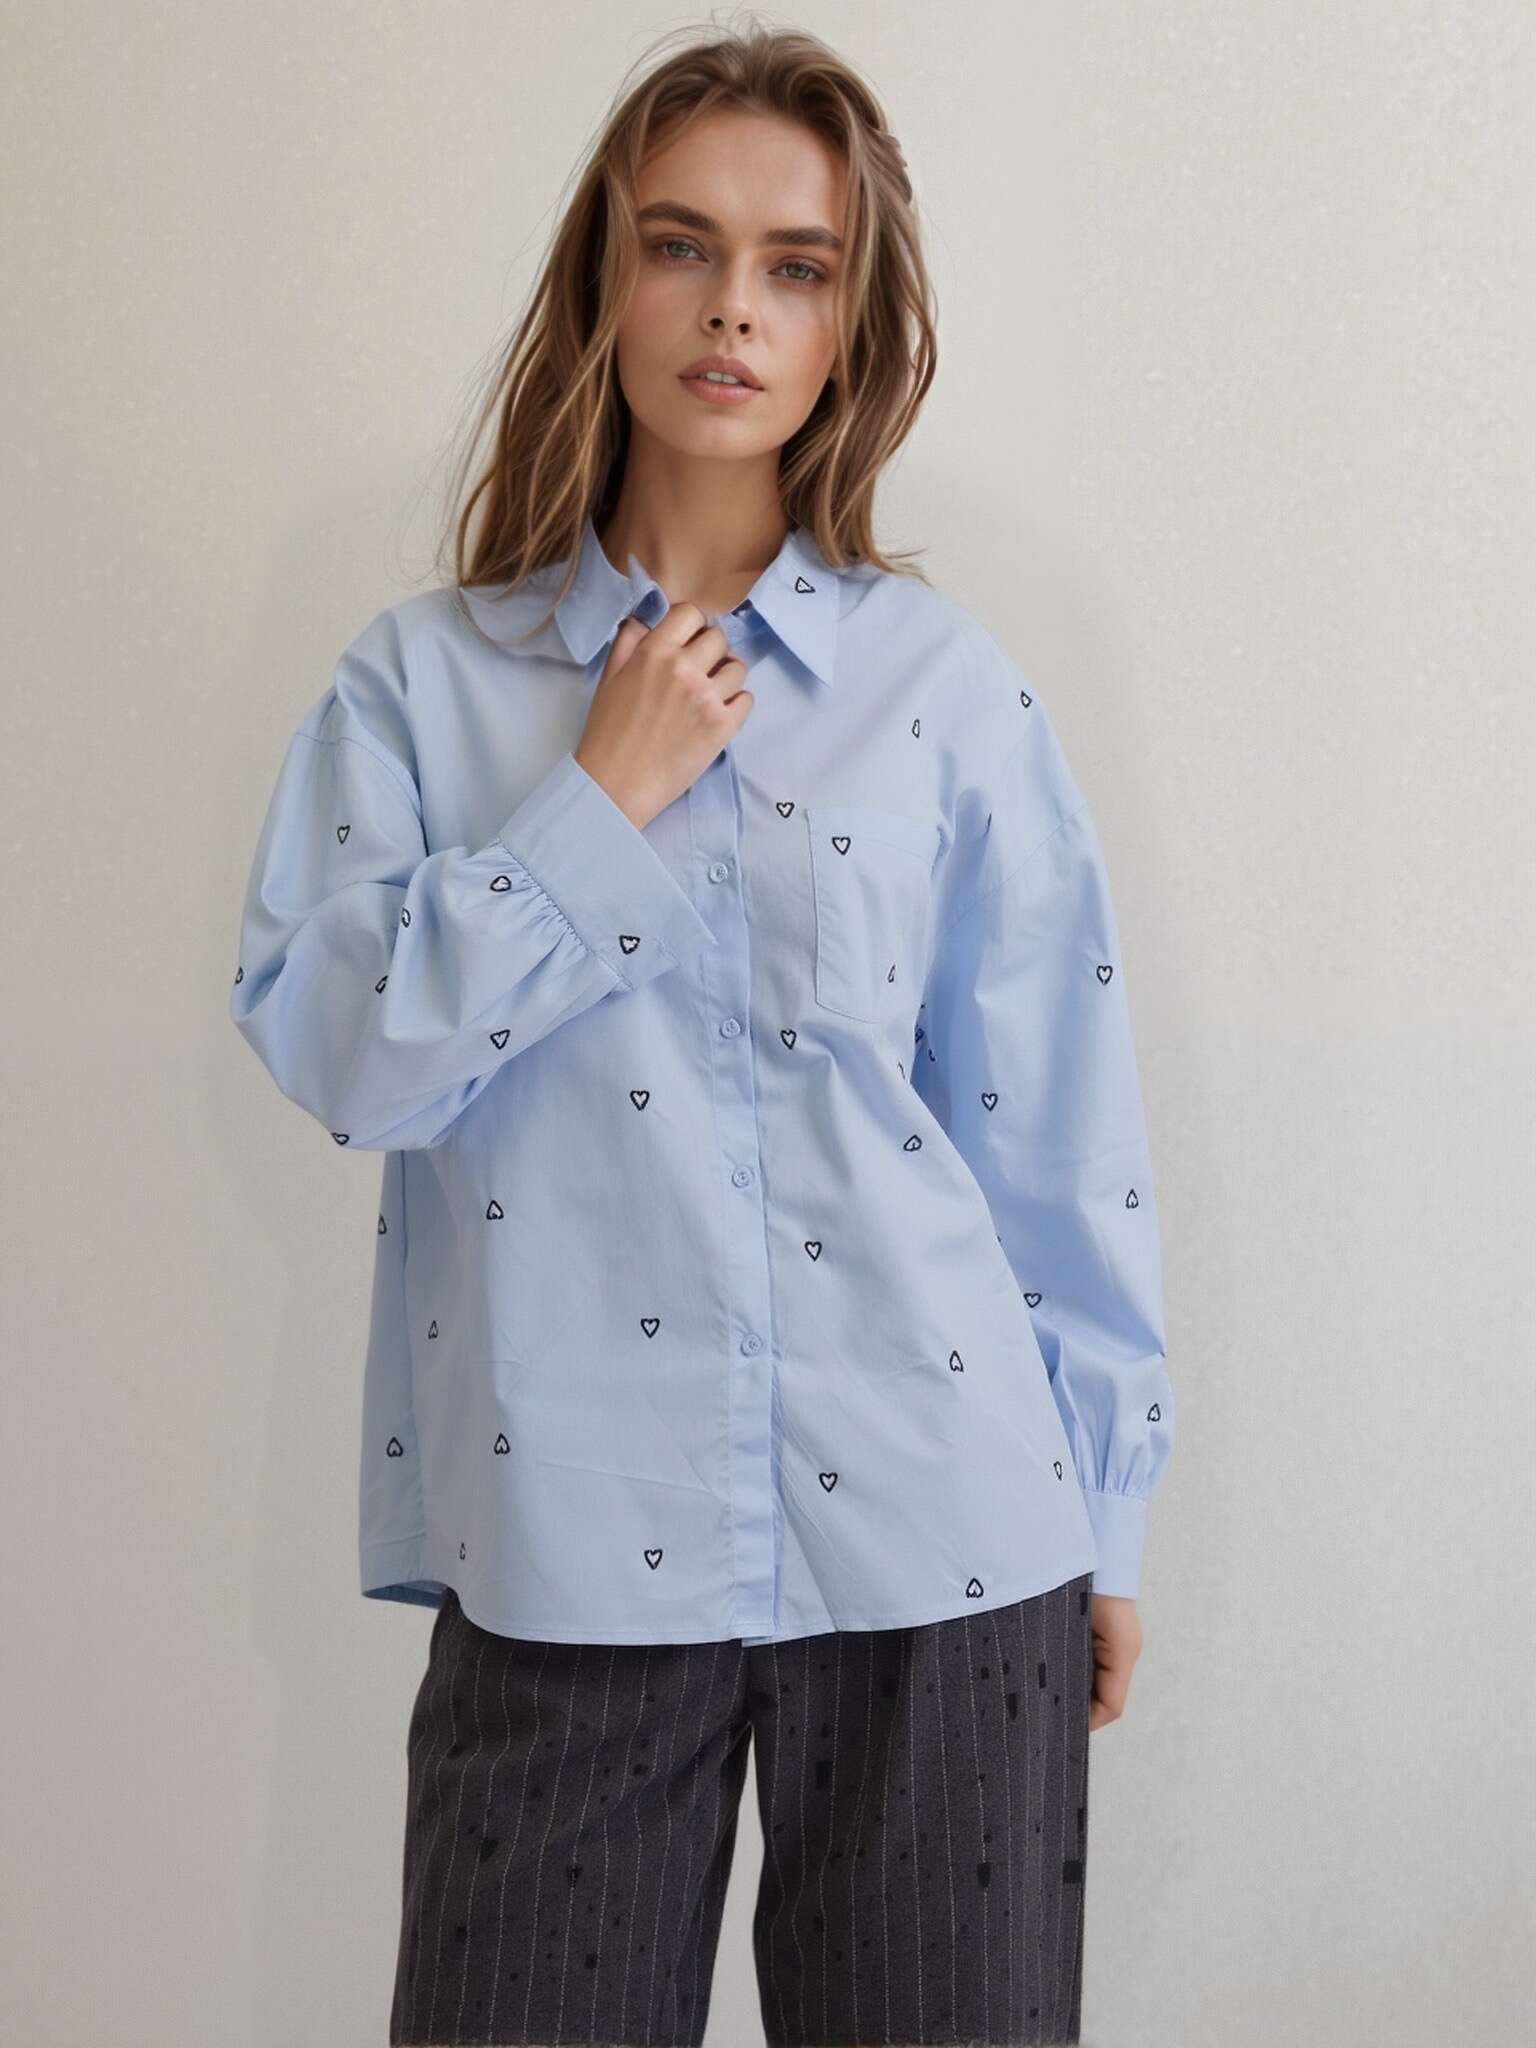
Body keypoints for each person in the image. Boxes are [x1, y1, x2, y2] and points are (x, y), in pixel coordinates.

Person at [228, 22, 1174, 2048]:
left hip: (946, 1546)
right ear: (606, 278)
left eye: (794, 265)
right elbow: (344, 1058)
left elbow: (1050, 1135)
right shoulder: (420, 689)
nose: (733, 306)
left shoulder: (948, 693)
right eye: (681, 245)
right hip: (566, 1560)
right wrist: (597, 801)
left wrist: (1104, 1512)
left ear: (849, 328)